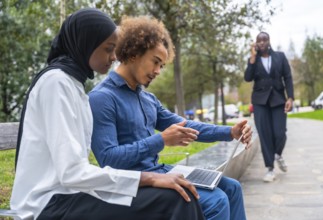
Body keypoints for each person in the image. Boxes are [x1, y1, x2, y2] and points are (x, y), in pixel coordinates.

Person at [10, 8, 206, 220]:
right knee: (173, 199)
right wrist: (147, 178)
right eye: (108, 49)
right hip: (47, 204)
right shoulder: (56, 83)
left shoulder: (73, 84)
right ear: (85, 43)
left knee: (177, 193)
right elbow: (71, 173)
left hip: (70, 194)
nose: (114, 57)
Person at [89, 15, 252, 220]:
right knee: (216, 201)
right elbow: (108, 159)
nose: (157, 71)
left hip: (160, 170)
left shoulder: (147, 98)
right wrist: (161, 140)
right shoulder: (101, 98)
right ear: (133, 53)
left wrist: (230, 132)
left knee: (232, 188)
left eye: (161, 66)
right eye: (155, 62)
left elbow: (186, 125)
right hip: (132, 183)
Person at [244, 31, 294, 182]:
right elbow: (247, 78)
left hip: (278, 100)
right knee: (265, 135)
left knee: (280, 133)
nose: (262, 43)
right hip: (260, 102)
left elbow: (288, 77)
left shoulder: (280, 56)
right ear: (256, 43)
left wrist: (290, 97)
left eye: (264, 40)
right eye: (259, 41)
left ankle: (278, 154)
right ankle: (270, 169)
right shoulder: (253, 59)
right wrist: (252, 58)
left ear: (269, 41)